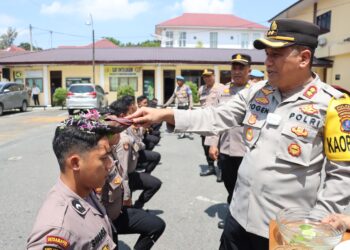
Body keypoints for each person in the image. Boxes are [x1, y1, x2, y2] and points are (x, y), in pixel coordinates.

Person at [127, 19, 350, 250]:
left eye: (276, 54)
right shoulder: (257, 92)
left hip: (285, 232)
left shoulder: (334, 104)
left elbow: (342, 175)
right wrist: (165, 114)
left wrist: (317, 226)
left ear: (304, 58)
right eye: (267, 54)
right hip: (238, 218)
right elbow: (215, 116)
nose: (267, 62)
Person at [27, 111, 119, 249]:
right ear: (75, 163)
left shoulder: (85, 189)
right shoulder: (58, 229)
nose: (110, 164)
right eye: (104, 158)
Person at [98, 109, 166, 250]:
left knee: (156, 224)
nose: (120, 132)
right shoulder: (100, 160)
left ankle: (137, 206)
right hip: (106, 218)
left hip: (116, 208)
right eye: (117, 130)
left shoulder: (112, 150)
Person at [206, 53, 250, 228]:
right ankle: (234, 214)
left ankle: (242, 219)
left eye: (241, 68)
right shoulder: (222, 92)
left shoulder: (256, 91)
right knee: (230, 185)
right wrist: (213, 144)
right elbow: (215, 119)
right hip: (226, 148)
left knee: (247, 187)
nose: (237, 71)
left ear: (249, 70)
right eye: (234, 68)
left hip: (248, 150)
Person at [198, 69, 225, 177]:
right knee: (205, 146)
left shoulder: (221, 88)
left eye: (209, 76)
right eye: (205, 76)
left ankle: (220, 170)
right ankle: (210, 167)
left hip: (216, 123)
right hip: (204, 123)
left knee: (218, 146)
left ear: (214, 76)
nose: (207, 78)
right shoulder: (201, 89)